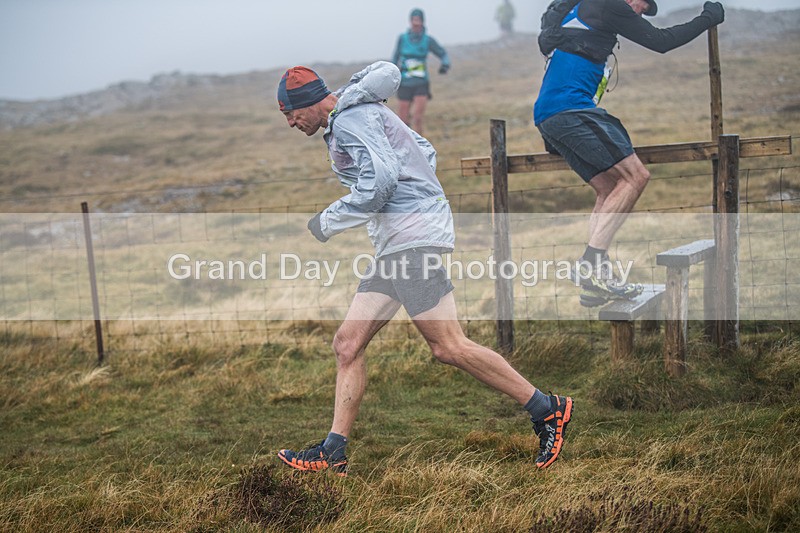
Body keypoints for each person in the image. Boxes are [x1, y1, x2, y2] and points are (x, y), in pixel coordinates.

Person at [275, 61, 573, 475]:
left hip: (412, 241)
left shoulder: (348, 122)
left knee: (448, 345)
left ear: (308, 103)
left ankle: (548, 409)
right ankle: (333, 451)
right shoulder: (362, 112)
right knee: (347, 343)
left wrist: (327, 221)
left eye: (290, 114)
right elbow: (423, 150)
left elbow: (380, 182)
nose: (290, 123)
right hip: (400, 240)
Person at [533, 0, 725, 307]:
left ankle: (596, 284)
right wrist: (707, 18)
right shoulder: (609, 5)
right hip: (571, 108)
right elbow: (661, 42)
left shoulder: (572, 9)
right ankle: (589, 264)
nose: (639, 13)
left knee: (608, 188)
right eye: (641, 5)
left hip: (550, 113)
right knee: (637, 176)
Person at [392, 8, 451, 135]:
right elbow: (394, 58)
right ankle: (403, 148)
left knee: (417, 118)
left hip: (421, 83)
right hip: (405, 82)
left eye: (418, 20)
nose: (416, 23)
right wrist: (390, 75)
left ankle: (421, 149)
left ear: (423, 22)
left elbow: (442, 53)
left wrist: (445, 65)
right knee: (402, 120)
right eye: (414, 20)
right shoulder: (402, 39)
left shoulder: (428, 40)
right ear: (410, 21)